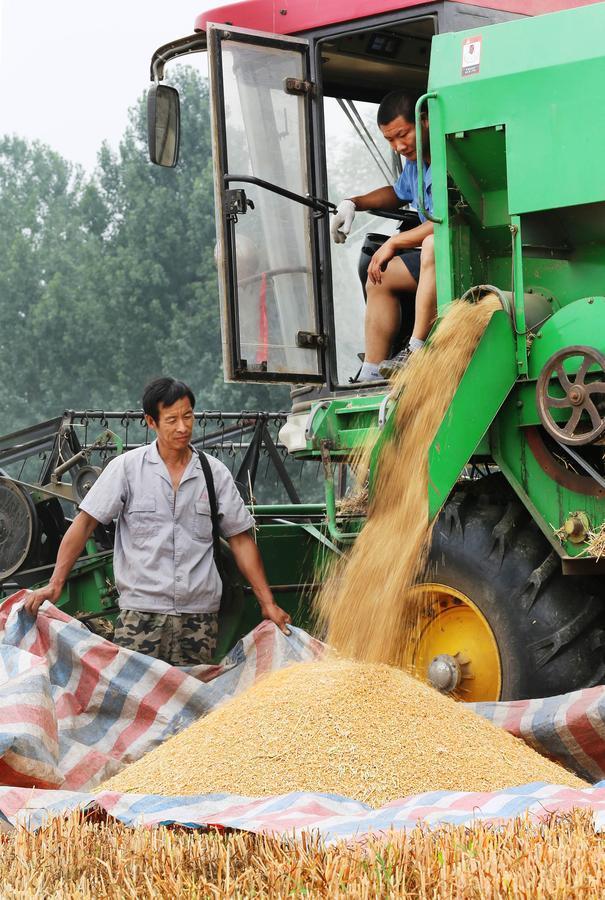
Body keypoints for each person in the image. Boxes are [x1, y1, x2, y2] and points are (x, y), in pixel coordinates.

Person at [24, 377, 291, 665]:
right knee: (137, 703)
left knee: (195, 705)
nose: (183, 427)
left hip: (199, 619)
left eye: (188, 416)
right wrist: (55, 583)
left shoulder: (213, 474)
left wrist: (268, 603)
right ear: (151, 422)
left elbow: (240, 539)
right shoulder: (126, 469)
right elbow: (84, 524)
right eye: (172, 419)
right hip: (140, 617)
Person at [330, 90, 436, 381]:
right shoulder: (415, 164)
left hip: (454, 252)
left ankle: (416, 350)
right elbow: (397, 193)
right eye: (390, 140)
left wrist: (395, 242)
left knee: (431, 244)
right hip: (430, 254)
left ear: (424, 121)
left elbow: (449, 222)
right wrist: (354, 202)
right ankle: (372, 372)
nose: (399, 146)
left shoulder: (450, 155)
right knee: (379, 275)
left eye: (403, 134)